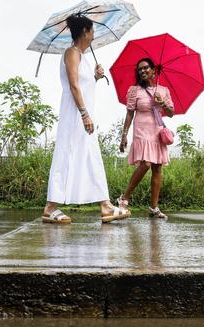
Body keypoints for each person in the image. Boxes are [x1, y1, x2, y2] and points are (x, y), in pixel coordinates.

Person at [42, 14, 130, 224]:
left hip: (83, 115)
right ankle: (50, 207)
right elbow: (73, 85)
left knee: (90, 155)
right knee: (66, 154)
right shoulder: (72, 53)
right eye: (92, 31)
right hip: (75, 116)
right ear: (84, 31)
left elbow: (83, 85)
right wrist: (83, 114)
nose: (94, 35)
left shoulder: (83, 56)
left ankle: (105, 205)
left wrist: (96, 78)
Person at [118, 58, 174, 219]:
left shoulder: (163, 90)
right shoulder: (134, 90)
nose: (142, 71)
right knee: (145, 164)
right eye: (140, 69)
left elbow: (171, 112)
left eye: (145, 68)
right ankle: (124, 198)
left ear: (153, 70)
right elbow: (129, 113)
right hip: (141, 130)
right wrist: (124, 135)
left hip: (157, 131)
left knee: (157, 168)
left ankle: (154, 208)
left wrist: (162, 102)